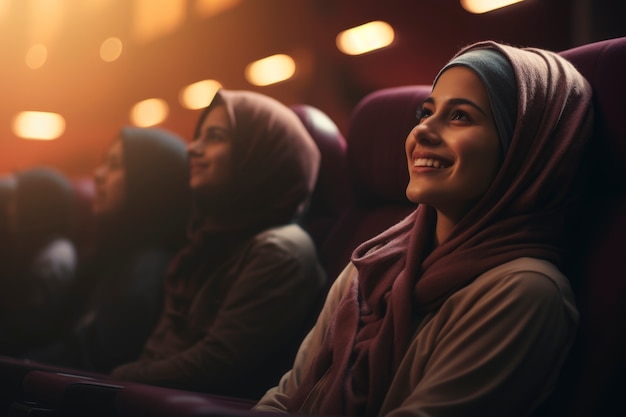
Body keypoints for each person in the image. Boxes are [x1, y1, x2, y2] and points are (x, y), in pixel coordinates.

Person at [254, 40, 594, 417]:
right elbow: (285, 399)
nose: (423, 132)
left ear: (522, 150)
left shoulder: (524, 293)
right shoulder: (370, 265)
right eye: (425, 112)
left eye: (461, 116)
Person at [110, 89, 327, 400]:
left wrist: (115, 380)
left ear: (259, 155)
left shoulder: (281, 251)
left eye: (214, 137)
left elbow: (215, 367)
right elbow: (161, 347)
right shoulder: (213, 239)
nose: (192, 149)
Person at [25, 127, 191, 374]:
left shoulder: (146, 270)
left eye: (115, 165)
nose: (99, 175)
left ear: (148, 181)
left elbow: (90, 363)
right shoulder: (112, 254)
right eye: (103, 163)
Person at [0, 167, 78, 355]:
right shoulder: (37, 246)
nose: (9, 210)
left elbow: (29, 329)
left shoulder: (56, 257)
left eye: (17, 201)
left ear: (36, 206)